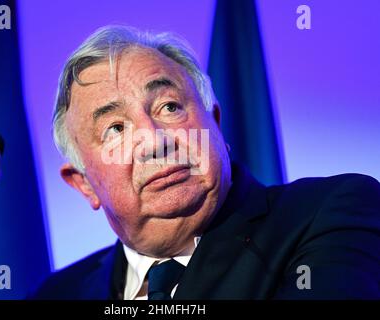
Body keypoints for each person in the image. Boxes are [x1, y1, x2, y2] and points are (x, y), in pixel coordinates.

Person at [31, 25, 380, 300]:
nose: (154, 140)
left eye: (169, 107)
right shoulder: (56, 293)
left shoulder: (332, 212)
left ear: (215, 124)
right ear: (84, 183)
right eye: (116, 128)